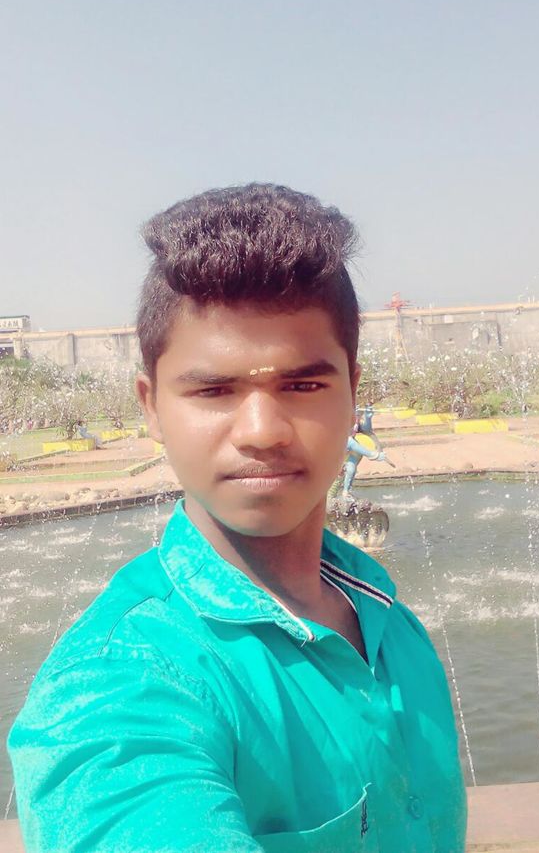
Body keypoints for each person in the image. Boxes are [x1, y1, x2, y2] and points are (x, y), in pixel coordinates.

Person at [8, 184, 467, 853]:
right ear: (151, 407)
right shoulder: (120, 684)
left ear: (353, 395)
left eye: (302, 385)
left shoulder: (387, 620)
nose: (262, 431)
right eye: (214, 390)